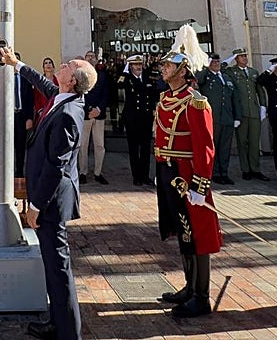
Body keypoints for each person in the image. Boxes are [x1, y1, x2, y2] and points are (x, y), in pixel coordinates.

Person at [0, 46, 93, 340]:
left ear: (72, 81)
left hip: (50, 202)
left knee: (59, 269)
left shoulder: (68, 113)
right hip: (47, 198)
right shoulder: (63, 96)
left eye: (67, 66)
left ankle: (69, 333)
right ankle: (57, 322)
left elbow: (55, 166)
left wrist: (36, 205)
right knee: (53, 267)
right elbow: (43, 82)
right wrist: (18, 64)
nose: (61, 65)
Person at [153, 26, 223, 320]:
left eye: (168, 65)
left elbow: (205, 146)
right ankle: (189, 286)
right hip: (169, 172)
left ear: (183, 71)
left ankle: (202, 296)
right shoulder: (165, 98)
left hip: (189, 175)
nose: (163, 68)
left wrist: (200, 184)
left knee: (198, 234)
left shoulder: (195, 101)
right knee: (183, 231)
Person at [196, 55, 239, 185]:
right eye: (213, 61)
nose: (216, 64)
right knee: (213, 147)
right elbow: (197, 80)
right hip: (213, 118)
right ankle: (214, 173)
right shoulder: (206, 76)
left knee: (225, 148)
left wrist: (237, 116)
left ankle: (224, 173)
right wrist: (205, 67)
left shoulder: (226, 77)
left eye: (217, 61)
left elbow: (234, 98)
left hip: (227, 118)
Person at [115, 55, 156, 186]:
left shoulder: (148, 77)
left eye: (140, 64)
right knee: (134, 148)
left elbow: (153, 94)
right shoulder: (127, 78)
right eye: (135, 65)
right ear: (130, 66)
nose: (139, 67)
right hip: (132, 118)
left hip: (146, 118)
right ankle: (136, 176)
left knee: (145, 148)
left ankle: (145, 175)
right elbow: (119, 85)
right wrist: (125, 71)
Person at [228, 49, 268, 181]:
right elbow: (220, 70)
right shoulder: (231, 72)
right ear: (236, 58)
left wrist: (263, 106)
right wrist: (229, 58)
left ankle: (255, 169)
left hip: (254, 112)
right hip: (241, 113)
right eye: (241, 56)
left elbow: (259, 91)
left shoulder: (253, 72)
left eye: (245, 56)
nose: (244, 58)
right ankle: (245, 170)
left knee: (254, 142)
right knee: (242, 142)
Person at [81, 49, 109, 185]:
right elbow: (79, 94)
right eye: (88, 56)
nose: (91, 58)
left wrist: (98, 109)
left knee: (99, 145)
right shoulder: (80, 75)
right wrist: (88, 110)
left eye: (92, 56)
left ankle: (98, 172)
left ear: (96, 60)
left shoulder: (102, 75)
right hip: (85, 115)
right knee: (83, 145)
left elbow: (106, 94)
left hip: (99, 115)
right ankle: (83, 172)